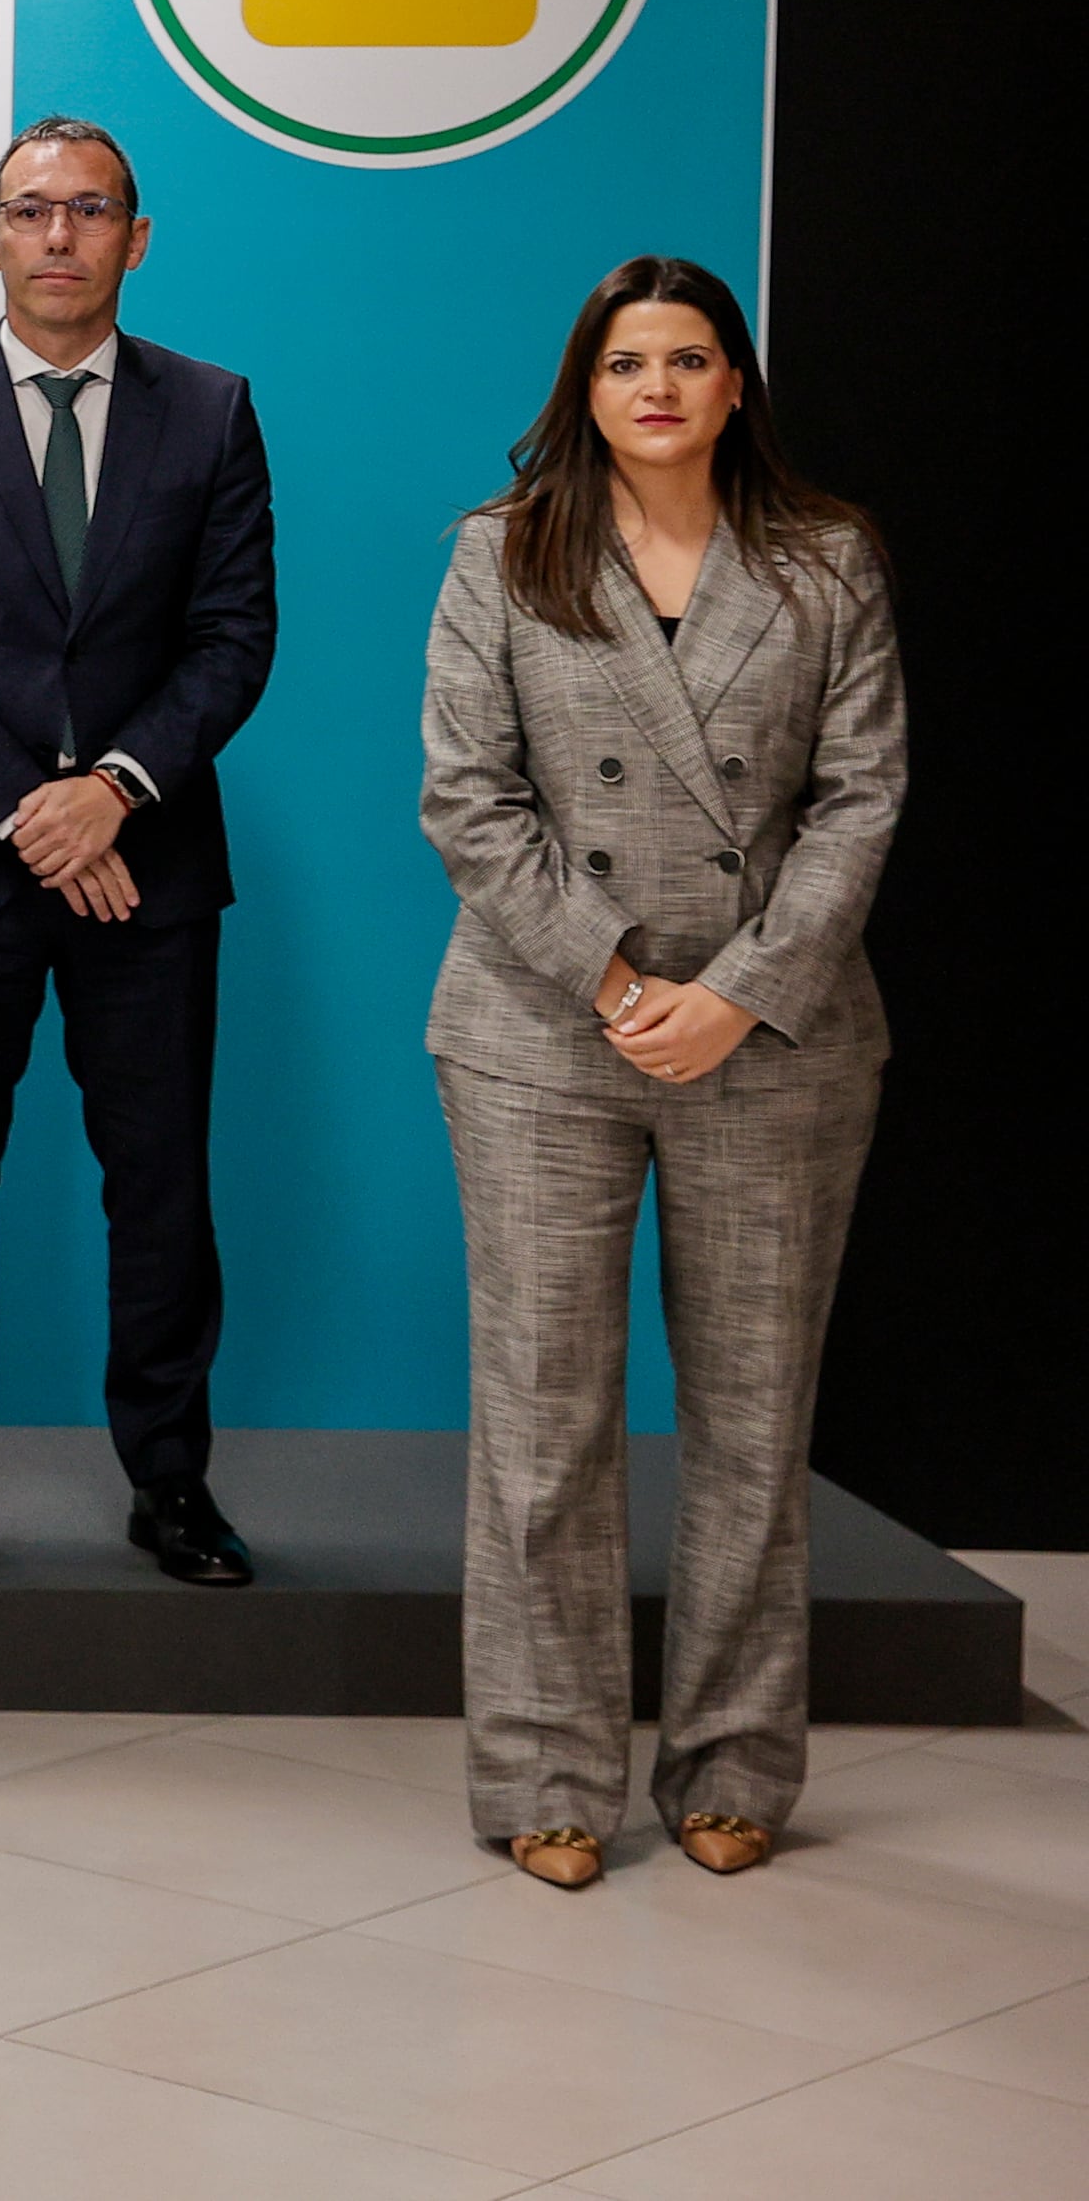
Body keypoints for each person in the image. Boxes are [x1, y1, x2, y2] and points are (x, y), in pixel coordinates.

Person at [421, 256, 898, 1892]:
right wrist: (623, 973)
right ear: (590, 382)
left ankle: (732, 1763)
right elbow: (467, 798)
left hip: (775, 1040)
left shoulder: (826, 559)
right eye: (630, 359)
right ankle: (549, 1771)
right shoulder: (505, 551)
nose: (661, 386)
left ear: (735, 381)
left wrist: (739, 993)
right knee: (545, 1418)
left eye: (691, 356)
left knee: (755, 1426)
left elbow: (859, 802)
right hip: (545, 1030)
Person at [0, 115, 276, 1590]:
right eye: (31, 209)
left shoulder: (212, 411)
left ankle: (171, 1484)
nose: (60, 235)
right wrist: (40, 811)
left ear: (134, 239)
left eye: (91, 210)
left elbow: (234, 637)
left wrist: (120, 788)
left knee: (159, 1187)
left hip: (151, 869)